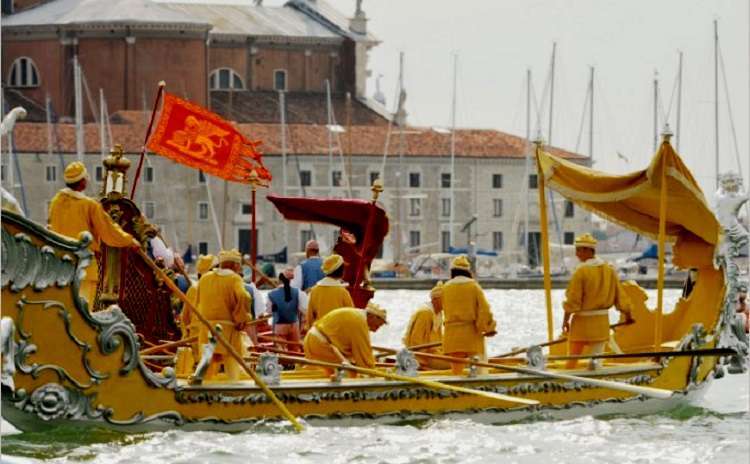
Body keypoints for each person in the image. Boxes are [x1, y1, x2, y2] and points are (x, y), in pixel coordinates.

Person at [47, 161, 138, 306]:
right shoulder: (89, 205)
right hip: (84, 267)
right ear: (82, 182)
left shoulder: (55, 202)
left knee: (63, 308)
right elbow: (109, 231)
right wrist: (129, 241)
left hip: (60, 266)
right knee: (83, 310)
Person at [562, 233, 633, 370]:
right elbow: (621, 297)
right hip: (601, 323)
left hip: (582, 324)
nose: (577, 254)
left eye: (579, 250)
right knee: (595, 362)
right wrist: (629, 316)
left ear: (589, 251)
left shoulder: (581, 271)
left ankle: (565, 382)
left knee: (572, 359)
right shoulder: (610, 270)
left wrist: (565, 320)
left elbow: (572, 301)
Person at [194, 249, 252, 380]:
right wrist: (241, 319)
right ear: (235, 265)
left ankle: (201, 387)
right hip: (227, 331)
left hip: (206, 329)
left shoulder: (204, 278)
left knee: (206, 365)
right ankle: (234, 386)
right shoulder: (234, 279)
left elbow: (197, 304)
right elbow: (244, 296)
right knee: (232, 365)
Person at [441, 255, 497, 375]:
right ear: (468, 271)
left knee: (456, 370)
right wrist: (488, 328)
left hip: (451, 334)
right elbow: (484, 310)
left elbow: (444, 309)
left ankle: (455, 387)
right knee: (478, 368)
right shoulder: (473, 286)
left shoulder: (445, 287)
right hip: (471, 333)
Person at [303, 302, 387, 377]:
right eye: (378, 325)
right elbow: (363, 354)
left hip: (312, 340)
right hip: (321, 345)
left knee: (332, 373)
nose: (376, 330)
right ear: (373, 317)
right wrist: (372, 373)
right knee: (349, 373)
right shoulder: (359, 322)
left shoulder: (355, 315)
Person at [403, 281, 449, 369]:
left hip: (434, 354)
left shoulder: (439, 314)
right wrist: (421, 363)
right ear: (435, 299)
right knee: (460, 364)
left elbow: (439, 340)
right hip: (423, 358)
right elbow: (415, 342)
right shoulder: (425, 313)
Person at [306, 254, 354, 329]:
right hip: (337, 335)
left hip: (319, 334)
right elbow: (351, 317)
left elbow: (309, 318)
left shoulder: (314, 290)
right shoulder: (343, 292)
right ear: (341, 271)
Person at [266, 268, 309, 352]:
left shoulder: (271, 294)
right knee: (294, 350)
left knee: (280, 350)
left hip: (279, 325)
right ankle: (293, 364)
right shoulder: (298, 292)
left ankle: (284, 364)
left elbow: (269, 311)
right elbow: (304, 309)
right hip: (294, 324)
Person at [182, 254, 217, 354]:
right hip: (199, 340)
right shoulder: (195, 290)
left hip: (213, 338)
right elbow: (186, 318)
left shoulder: (195, 289)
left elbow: (185, 318)